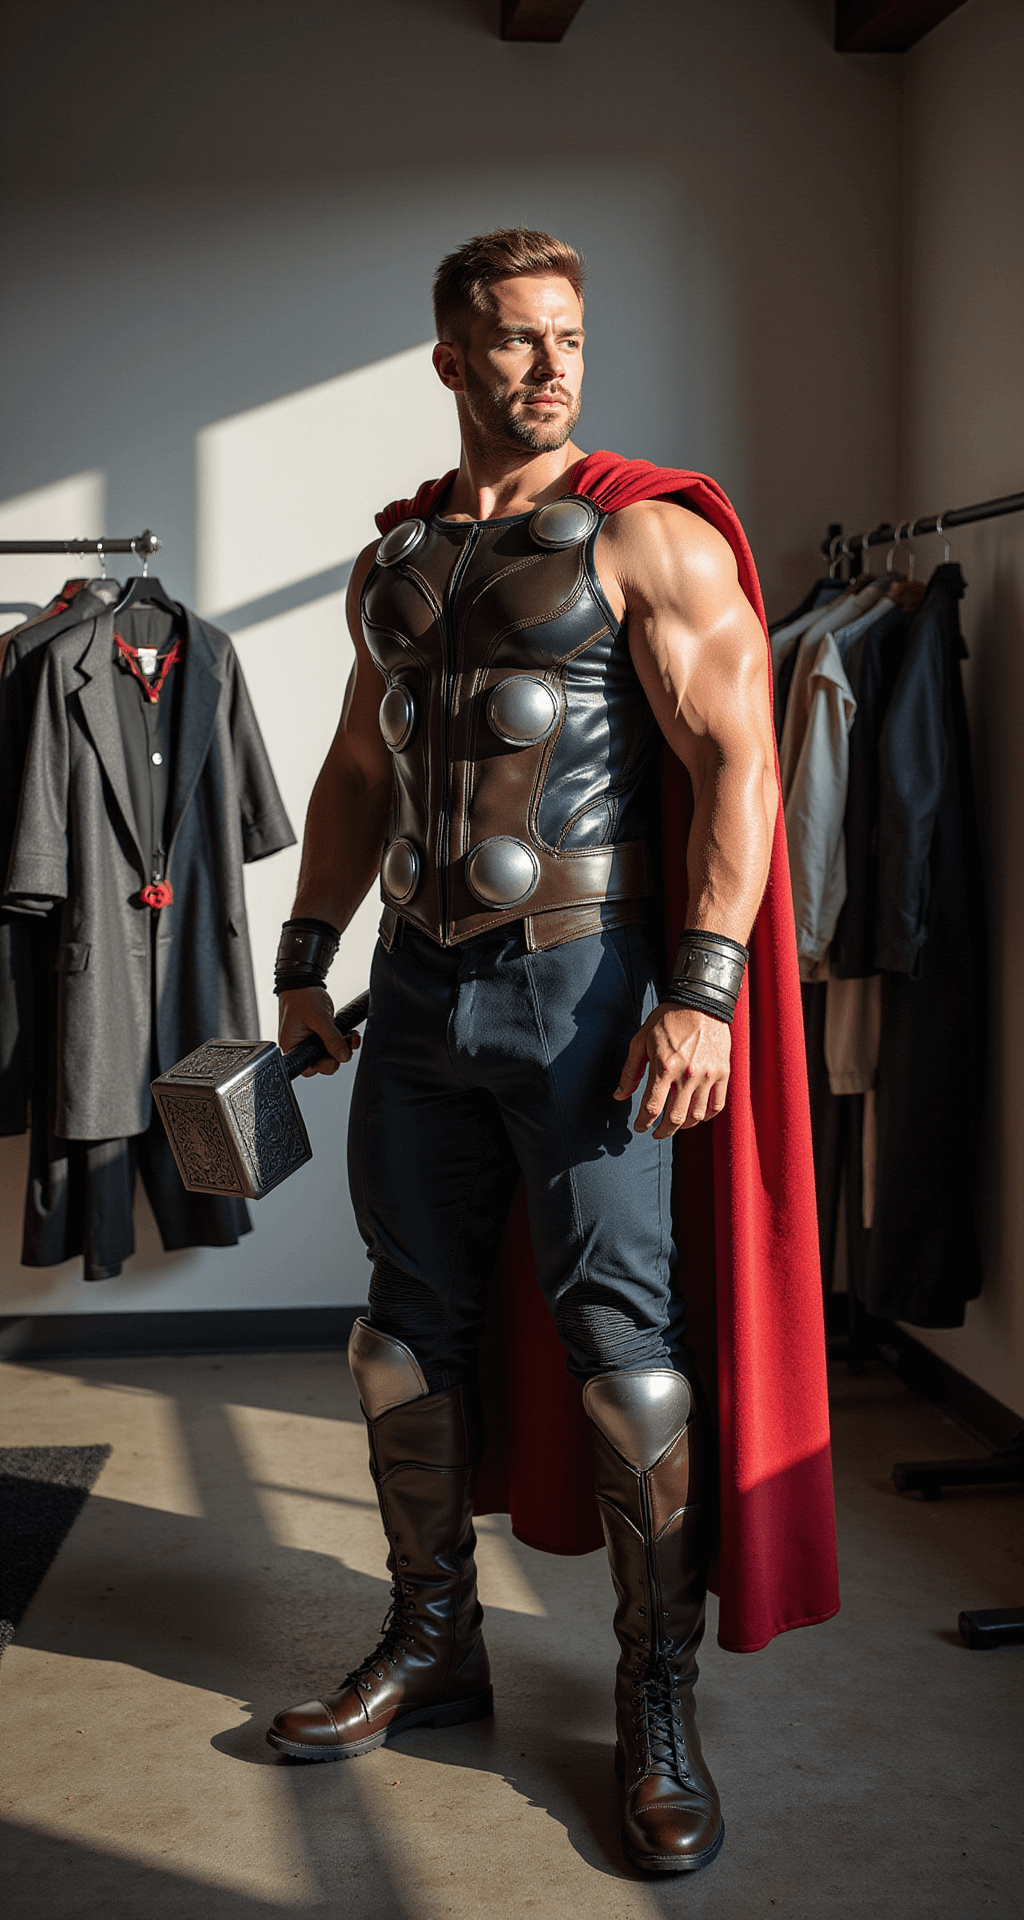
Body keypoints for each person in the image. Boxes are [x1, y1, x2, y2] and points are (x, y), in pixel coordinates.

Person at [265, 228, 834, 1878]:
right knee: (402, 1337)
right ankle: (434, 1643)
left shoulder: (649, 537)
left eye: (568, 337)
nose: (550, 366)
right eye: (515, 340)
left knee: (625, 1356)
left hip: (586, 991)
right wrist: (303, 962)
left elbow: (738, 761)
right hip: (417, 994)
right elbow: (360, 774)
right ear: (450, 359)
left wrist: (703, 991)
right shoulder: (398, 561)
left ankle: (657, 1707)